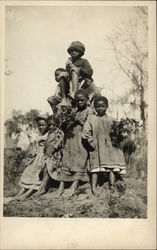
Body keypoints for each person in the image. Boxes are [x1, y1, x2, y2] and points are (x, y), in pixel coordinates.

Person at [82, 96, 126, 195]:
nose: (100, 108)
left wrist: (120, 134)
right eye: (97, 106)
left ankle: (112, 186)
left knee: (111, 167)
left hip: (109, 147)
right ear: (94, 107)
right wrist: (91, 142)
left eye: (102, 106)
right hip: (97, 147)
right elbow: (86, 132)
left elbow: (117, 133)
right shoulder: (91, 119)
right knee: (95, 168)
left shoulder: (111, 119)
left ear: (106, 107)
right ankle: (94, 188)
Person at [57, 89, 93, 197]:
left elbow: (90, 126)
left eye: (82, 100)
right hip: (71, 139)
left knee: (80, 160)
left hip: (81, 139)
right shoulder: (75, 110)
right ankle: (61, 185)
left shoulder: (89, 111)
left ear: (87, 100)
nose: (79, 102)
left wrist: (78, 121)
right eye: (77, 100)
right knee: (67, 159)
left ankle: (74, 184)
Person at [15, 115, 49, 201]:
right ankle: (22, 191)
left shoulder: (49, 133)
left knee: (38, 172)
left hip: (45, 155)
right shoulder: (38, 134)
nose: (41, 127)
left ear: (48, 125)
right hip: (37, 156)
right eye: (39, 125)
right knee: (30, 169)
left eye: (43, 125)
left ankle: (29, 192)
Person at [32, 115, 64, 198]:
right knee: (44, 170)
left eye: (54, 125)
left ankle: (43, 190)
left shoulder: (58, 132)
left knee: (47, 169)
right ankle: (41, 189)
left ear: (57, 124)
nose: (51, 127)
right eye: (49, 125)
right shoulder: (49, 133)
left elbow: (59, 142)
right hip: (48, 155)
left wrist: (53, 150)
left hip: (55, 156)